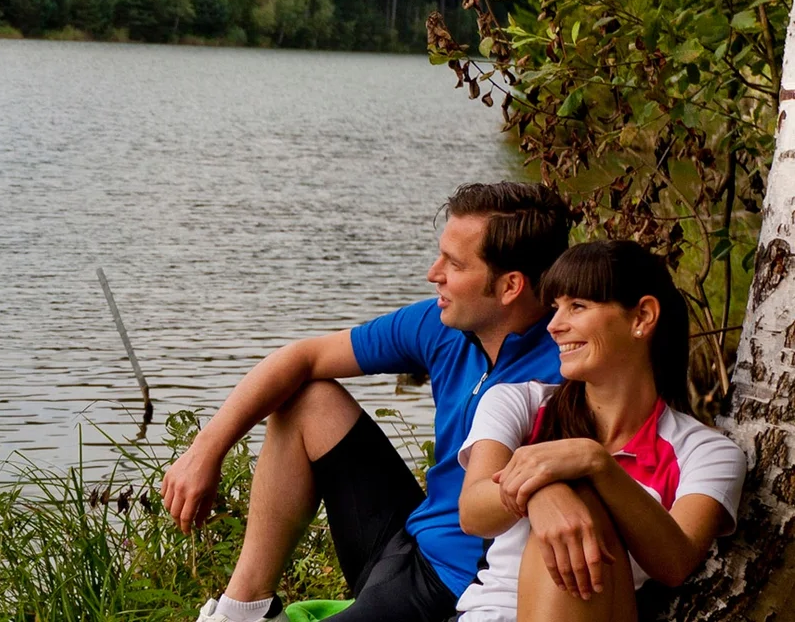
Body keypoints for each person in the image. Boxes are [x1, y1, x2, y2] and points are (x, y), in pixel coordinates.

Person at [161, 182, 572, 622]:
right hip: (411, 543)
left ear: (510, 286)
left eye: (454, 264)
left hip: (465, 587)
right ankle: (241, 611)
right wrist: (204, 452)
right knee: (308, 398)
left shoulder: (570, 365)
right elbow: (303, 357)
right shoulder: (440, 326)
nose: (434, 273)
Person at [454, 240, 745, 622]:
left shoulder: (706, 452)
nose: (555, 325)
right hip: (487, 616)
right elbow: (474, 511)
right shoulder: (518, 404)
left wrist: (595, 464)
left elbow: (674, 563)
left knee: (587, 501)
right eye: (556, 307)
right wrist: (544, 491)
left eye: (578, 306)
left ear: (642, 317)